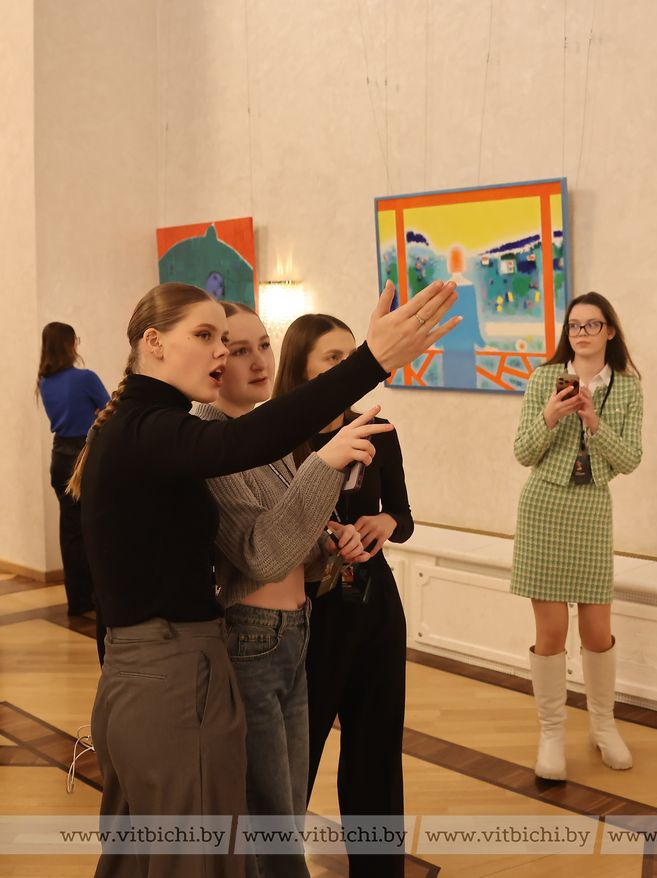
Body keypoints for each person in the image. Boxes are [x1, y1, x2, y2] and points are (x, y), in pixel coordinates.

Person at [69, 278, 458, 878]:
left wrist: (328, 536)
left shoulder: (148, 424)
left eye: (232, 340)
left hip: (173, 662)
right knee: (195, 855)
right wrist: (370, 363)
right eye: (207, 336)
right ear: (154, 342)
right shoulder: (151, 428)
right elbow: (248, 471)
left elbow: (250, 463)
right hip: (169, 669)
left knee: (158, 853)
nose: (223, 353)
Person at [193, 301, 375, 878]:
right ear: (214, 358)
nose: (258, 362)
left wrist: (330, 539)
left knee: (288, 807)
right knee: (270, 813)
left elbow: (289, 534)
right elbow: (263, 554)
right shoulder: (209, 439)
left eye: (263, 345)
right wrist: (325, 464)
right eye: (238, 349)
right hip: (252, 637)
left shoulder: (259, 433)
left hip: (293, 629)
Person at [274, 313, 413, 878]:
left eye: (350, 355)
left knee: (375, 756)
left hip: (375, 609)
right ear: (301, 368)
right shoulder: (276, 437)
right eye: (333, 358)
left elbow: (402, 515)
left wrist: (383, 524)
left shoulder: (377, 428)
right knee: (296, 759)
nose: (348, 366)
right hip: (307, 616)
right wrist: (322, 536)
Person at [510, 292, 643, 781]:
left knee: (596, 630)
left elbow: (630, 459)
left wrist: (593, 420)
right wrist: (552, 415)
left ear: (610, 331)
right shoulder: (543, 379)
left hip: (592, 509)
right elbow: (524, 453)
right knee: (550, 632)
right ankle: (551, 733)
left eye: (592, 325)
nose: (582, 333)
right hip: (543, 507)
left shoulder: (627, 388)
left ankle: (603, 726)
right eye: (574, 326)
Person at [36, 323, 109, 630]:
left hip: (59, 458)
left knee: (70, 531)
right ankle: (100, 595)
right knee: (95, 526)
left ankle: (78, 600)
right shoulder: (85, 377)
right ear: (69, 344)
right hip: (84, 456)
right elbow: (110, 411)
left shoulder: (44, 381)